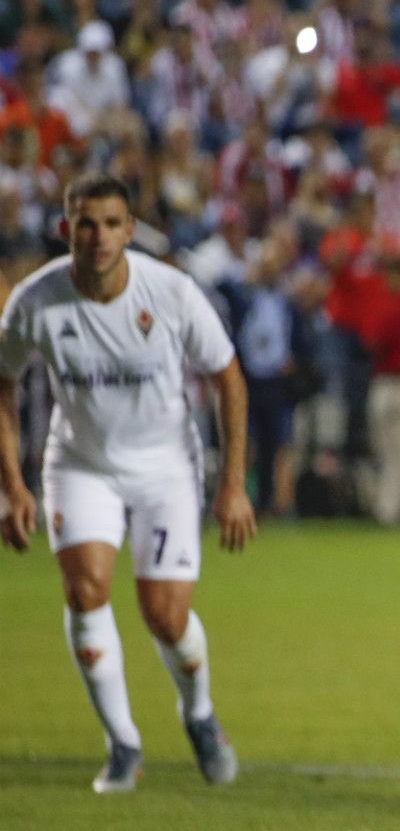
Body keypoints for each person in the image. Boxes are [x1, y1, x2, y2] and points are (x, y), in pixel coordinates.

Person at [0, 174, 258, 793]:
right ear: (67, 228)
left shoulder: (169, 292)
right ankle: (122, 743)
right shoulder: (36, 302)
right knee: (86, 590)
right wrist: (13, 487)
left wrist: (233, 483)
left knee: (165, 616)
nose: (99, 237)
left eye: (113, 224)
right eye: (86, 223)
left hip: (166, 467)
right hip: (80, 464)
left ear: (128, 229)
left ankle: (198, 715)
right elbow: (3, 387)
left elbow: (229, 379)